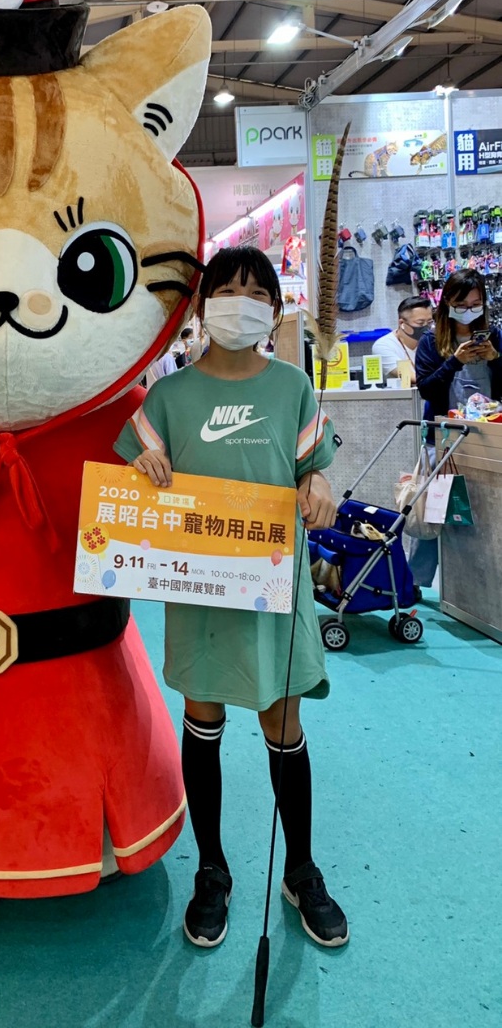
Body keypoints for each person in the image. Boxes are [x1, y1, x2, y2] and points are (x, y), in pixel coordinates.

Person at [114, 245, 349, 951]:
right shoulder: (167, 398)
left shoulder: (293, 388)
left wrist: (318, 484)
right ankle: (211, 870)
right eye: (226, 290)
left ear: (273, 311)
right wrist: (143, 466)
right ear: (201, 306)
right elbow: (130, 482)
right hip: (201, 590)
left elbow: (315, 472)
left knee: (282, 722)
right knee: (204, 716)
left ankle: (300, 870)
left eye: (255, 293)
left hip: (274, 586)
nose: (240, 304)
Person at [410, 271, 502, 587]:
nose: (468, 310)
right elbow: (427, 389)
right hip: (443, 437)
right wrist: (455, 361)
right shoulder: (431, 341)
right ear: (447, 303)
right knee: (432, 508)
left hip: (487, 439)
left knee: (482, 511)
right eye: (461, 304)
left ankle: (475, 588)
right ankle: (416, 582)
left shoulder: (495, 337)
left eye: (476, 304)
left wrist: (495, 359)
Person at [372, 295, 434, 378]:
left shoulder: (433, 341)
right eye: (420, 323)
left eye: (430, 322)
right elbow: (408, 376)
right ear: (402, 323)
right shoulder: (383, 346)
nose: (426, 327)